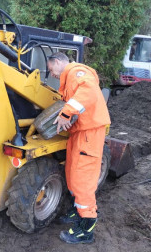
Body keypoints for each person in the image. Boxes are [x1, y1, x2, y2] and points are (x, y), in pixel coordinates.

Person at [47, 52, 111, 244]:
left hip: (89, 134)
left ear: (58, 62)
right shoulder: (69, 78)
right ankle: (78, 210)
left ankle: (86, 228)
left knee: (83, 179)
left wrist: (67, 112)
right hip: (80, 133)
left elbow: (89, 92)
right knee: (73, 173)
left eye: (51, 70)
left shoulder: (77, 72)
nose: (52, 75)